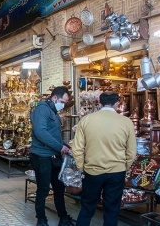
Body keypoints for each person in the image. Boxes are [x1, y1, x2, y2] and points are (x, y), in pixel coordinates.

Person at [72, 92, 136, 226]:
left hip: (92, 171)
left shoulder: (86, 120)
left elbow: (77, 148)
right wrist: (125, 167)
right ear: (117, 103)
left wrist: (81, 167)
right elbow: (131, 151)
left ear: (99, 103)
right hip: (116, 172)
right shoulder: (126, 122)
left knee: (87, 207)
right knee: (112, 209)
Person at [30, 86, 74, 226]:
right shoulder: (42, 109)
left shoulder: (53, 112)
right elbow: (40, 132)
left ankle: (63, 217)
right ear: (54, 98)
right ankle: (41, 219)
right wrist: (59, 147)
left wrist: (65, 145)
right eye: (63, 101)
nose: (64, 105)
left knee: (59, 188)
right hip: (42, 156)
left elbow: (54, 135)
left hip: (54, 157)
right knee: (43, 189)